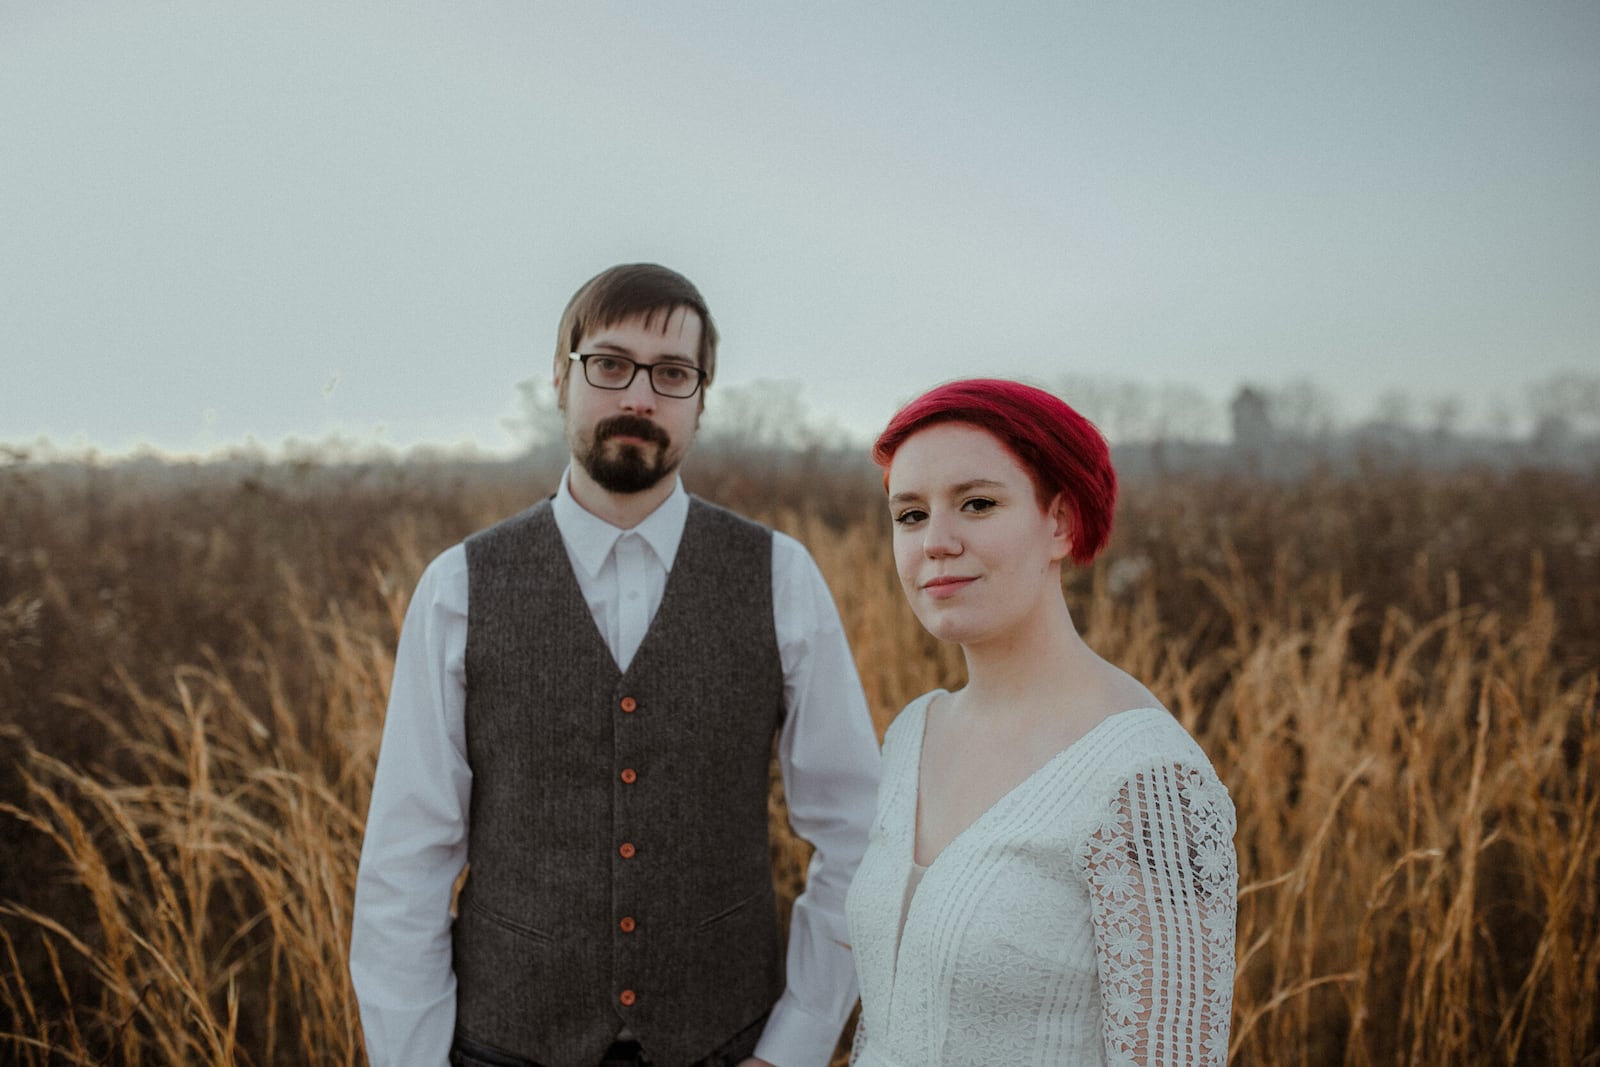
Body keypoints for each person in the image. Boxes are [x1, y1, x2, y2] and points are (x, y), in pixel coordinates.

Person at [350, 263, 882, 1067]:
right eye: (610, 364)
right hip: (504, 1047)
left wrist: (796, 1044)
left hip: (728, 1044)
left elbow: (857, 834)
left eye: (672, 374)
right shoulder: (459, 587)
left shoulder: (780, 577)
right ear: (562, 380)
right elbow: (406, 860)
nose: (639, 396)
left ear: (702, 400)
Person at [844, 379, 1237, 1066]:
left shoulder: (1145, 777)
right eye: (909, 515)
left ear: (1060, 522)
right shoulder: (913, 733)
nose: (936, 541)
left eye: (978, 504)